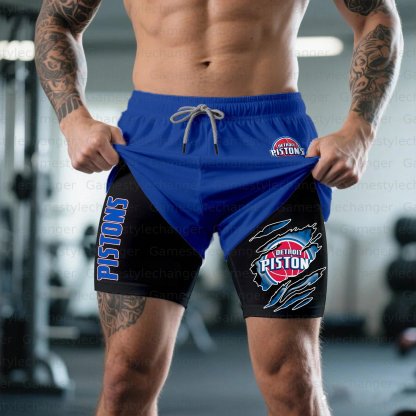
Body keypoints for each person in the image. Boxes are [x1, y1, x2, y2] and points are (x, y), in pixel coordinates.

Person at [34, 1, 403, 415]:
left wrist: (361, 129)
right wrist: (73, 120)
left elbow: (376, 12)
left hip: (271, 153)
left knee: (292, 379)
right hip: (154, 150)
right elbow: (58, 18)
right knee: (124, 379)